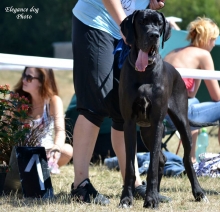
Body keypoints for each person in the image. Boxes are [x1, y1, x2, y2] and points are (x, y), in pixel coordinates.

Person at [71, 0, 170, 205]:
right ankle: (80, 184)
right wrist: (125, 27)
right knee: (94, 105)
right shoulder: (118, 24)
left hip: (126, 29)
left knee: (124, 110)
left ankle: (132, 183)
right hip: (96, 23)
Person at [164, 17, 220, 164]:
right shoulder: (203, 55)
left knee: (194, 101)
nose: (214, 44)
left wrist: (199, 74)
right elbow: (217, 96)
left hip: (163, 113)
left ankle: (191, 158)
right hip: (180, 114)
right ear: (207, 39)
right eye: (213, 39)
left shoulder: (174, 52)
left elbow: (190, 95)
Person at [14, 67, 73, 174]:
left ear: (42, 82)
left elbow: (60, 131)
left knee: (67, 150)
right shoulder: (18, 100)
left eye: (29, 78)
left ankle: (44, 169)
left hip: (45, 152)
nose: (23, 80)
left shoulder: (53, 101)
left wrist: (56, 148)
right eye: (24, 75)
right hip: (20, 151)